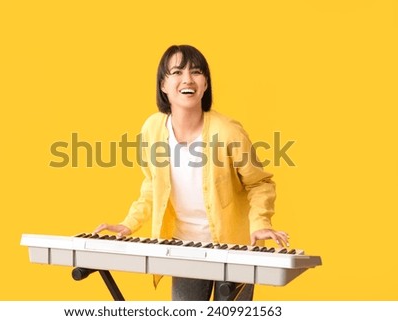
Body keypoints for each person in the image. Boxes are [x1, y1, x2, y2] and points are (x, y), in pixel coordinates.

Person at [93, 44, 289, 301]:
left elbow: (259, 183)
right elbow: (153, 185)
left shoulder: (228, 131)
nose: (187, 79)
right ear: (163, 85)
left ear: (205, 84)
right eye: (176, 72)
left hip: (235, 248)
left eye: (196, 72)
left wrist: (261, 222)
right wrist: (129, 223)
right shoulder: (152, 129)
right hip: (184, 247)